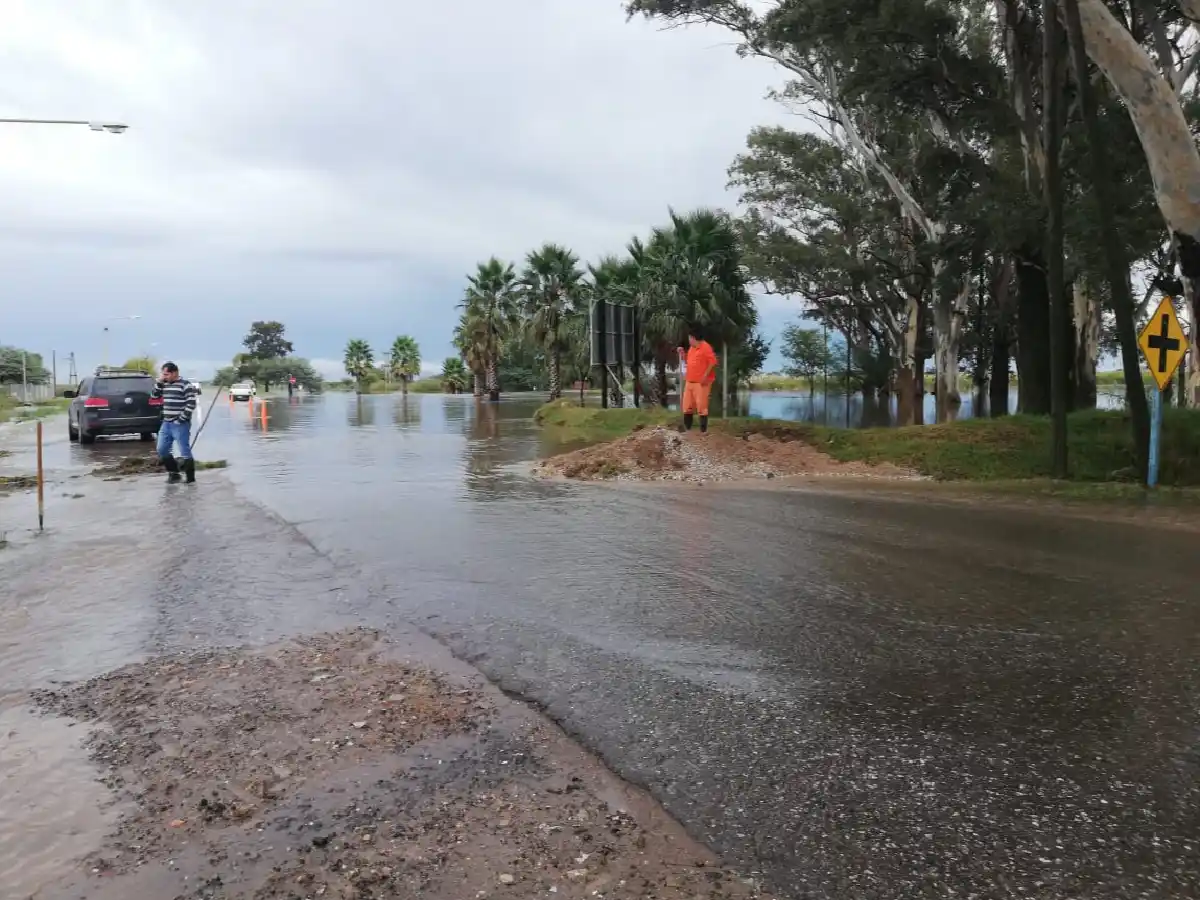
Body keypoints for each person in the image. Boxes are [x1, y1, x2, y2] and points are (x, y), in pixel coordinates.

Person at [152, 362, 199, 483]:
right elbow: (154, 396)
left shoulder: (185, 385)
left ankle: (190, 479)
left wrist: (181, 419)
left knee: (184, 450)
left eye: (166, 374)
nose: (164, 376)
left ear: (175, 373)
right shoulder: (164, 384)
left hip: (180, 424)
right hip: (166, 423)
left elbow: (191, 404)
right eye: (163, 374)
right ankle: (174, 474)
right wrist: (159, 383)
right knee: (162, 449)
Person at [679, 329, 719, 432]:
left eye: (689, 338)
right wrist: (682, 353)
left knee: (701, 407)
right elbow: (688, 360)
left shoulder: (706, 347)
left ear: (693, 338)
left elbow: (713, 361)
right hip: (689, 381)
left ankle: (703, 432)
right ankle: (688, 430)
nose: (688, 340)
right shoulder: (692, 348)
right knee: (687, 406)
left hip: (701, 383)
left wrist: (705, 375)